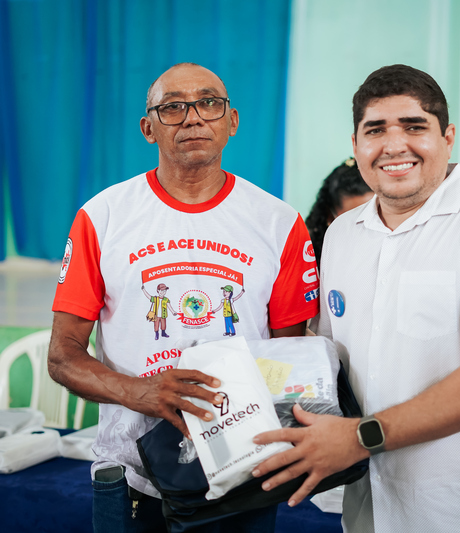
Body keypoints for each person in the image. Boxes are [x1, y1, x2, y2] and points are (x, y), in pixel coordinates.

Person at [252, 64, 460, 533]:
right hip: (370, 510)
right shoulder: (341, 234)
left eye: (414, 127)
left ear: (448, 137)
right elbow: (329, 361)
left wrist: (359, 437)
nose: (394, 145)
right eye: (376, 130)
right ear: (356, 145)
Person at [48, 62, 320, 533]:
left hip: (245, 475)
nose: (193, 117)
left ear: (231, 121)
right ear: (148, 128)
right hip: (132, 477)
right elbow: (62, 356)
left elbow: (290, 359)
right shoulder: (102, 217)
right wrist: (143, 392)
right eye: (173, 107)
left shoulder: (280, 223)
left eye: (209, 103)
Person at [305, 158, 374, 267]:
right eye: (356, 219)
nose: (368, 228)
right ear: (330, 217)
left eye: (375, 215)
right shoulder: (310, 262)